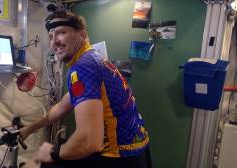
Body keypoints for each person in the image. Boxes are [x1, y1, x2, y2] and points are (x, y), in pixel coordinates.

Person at [21, 10, 151, 168]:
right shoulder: (94, 58)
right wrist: (29, 129)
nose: (54, 42)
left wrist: (52, 153)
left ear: (82, 35)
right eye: (51, 36)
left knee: (41, 164)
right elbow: (62, 106)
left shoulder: (83, 67)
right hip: (138, 150)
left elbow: (89, 142)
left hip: (117, 157)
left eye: (62, 32)